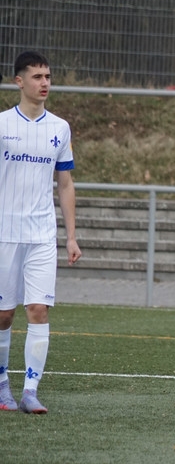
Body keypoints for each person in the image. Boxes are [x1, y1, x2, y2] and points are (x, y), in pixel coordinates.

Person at [0, 51, 82, 414]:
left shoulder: (59, 128)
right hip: (4, 233)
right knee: (3, 315)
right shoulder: (2, 124)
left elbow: (65, 183)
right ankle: (2, 384)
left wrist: (71, 236)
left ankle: (30, 391)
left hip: (42, 235)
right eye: (37, 77)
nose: (44, 83)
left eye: (47, 76)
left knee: (38, 309)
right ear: (19, 82)